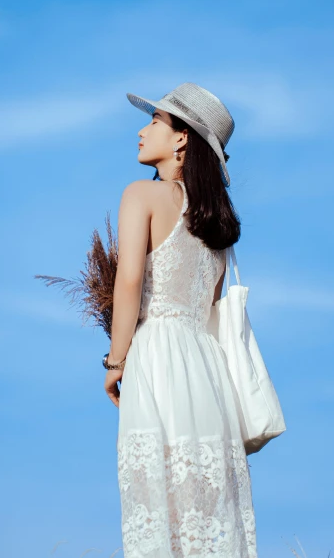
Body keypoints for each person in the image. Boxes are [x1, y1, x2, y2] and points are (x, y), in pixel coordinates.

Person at [103, 83, 258, 558]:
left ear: (181, 139)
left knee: (158, 509)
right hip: (208, 372)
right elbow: (208, 305)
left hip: (157, 360)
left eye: (155, 121)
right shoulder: (219, 225)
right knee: (209, 512)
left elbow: (129, 282)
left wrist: (115, 361)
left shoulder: (141, 197)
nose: (141, 130)